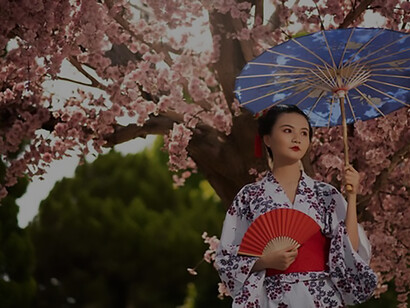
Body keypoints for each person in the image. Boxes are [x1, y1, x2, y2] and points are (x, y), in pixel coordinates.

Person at [214, 104, 377, 308]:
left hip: (320, 296)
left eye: (304, 132)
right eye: (287, 130)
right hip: (272, 297)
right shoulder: (249, 196)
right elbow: (226, 261)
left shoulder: (325, 194)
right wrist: (265, 261)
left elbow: (350, 250)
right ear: (267, 139)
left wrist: (351, 197)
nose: (297, 138)